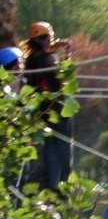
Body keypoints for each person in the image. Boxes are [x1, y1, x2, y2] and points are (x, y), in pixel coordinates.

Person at [22, 21, 73, 192]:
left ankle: (52, 183)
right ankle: (60, 184)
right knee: (62, 147)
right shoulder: (51, 59)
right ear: (46, 39)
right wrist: (65, 57)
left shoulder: (29, 61)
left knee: (49, 147)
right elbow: (64, 79)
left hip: (41, 110)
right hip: (58, 110)